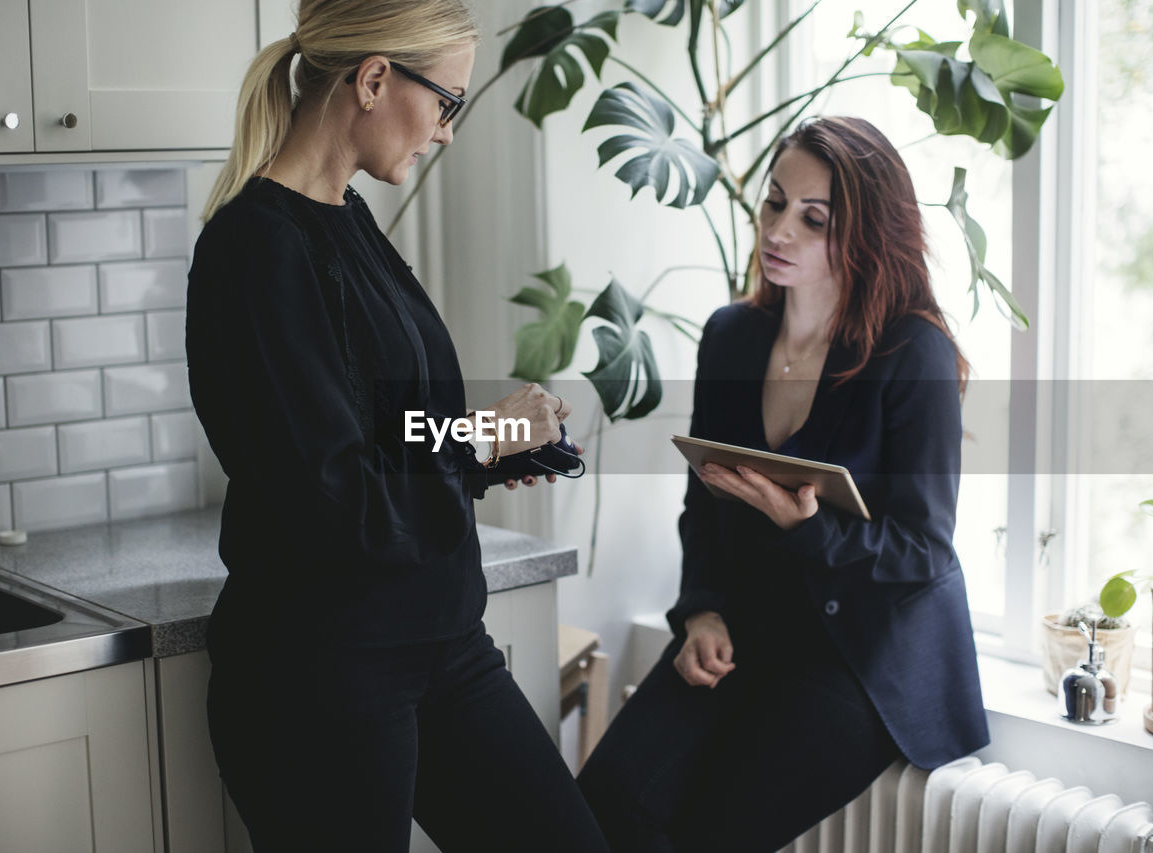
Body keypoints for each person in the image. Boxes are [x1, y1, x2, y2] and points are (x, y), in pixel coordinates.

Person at [184, 2, 609, 850]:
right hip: (324, 672)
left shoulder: (348, 218)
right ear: (374, 79)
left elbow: (383, 432)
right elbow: (332, 490)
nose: (447, 131)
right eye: (447, 102)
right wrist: (479, 441)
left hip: (441, 642)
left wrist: (488, 447)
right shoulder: (256, 248)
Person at [576, 116, 989, 851]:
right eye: (774, 203)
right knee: (603, 800)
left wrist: (808, 525)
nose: (780, 230)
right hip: (743, 633)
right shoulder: (732, 336)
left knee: (711, 829)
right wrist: (700, 613)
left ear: (864, 234)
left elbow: (923, 551)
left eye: (814, 218)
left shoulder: (912, 353)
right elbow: (702, 504)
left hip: (855, 660)